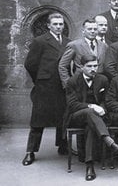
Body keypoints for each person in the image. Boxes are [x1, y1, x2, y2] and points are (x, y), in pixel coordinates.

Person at [65, 55, 118, 181]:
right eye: (89, 66)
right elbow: (72, 105)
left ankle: (89, 166)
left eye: (95, 66)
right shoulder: (72, 81)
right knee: (90, 112)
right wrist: (92, 106)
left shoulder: (102, 79)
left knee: (91, 127)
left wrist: (101, 107)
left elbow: (106, 100)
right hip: (77, 116)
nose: (93, 69)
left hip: (95, 119)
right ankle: (108, 140)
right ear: (81, 67)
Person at [22, 12, 70, 166]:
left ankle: (62, 146)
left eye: (61, 24)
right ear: (49, 25)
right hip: (44, 87)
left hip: (61, 86)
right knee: (38, 120)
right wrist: (42, 78)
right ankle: (30, 152)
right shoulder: (40, 41)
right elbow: (30, 64)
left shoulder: (68, 42)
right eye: (55, 24)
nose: (58, 27)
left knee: (62, 117)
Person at [58, 18, 107, 87]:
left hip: (99, 84)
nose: (92, 31)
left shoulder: (104, 45)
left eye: (95, 29)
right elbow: (62, 66)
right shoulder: (74, 45)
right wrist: (68, 85)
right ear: (83, 31)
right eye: (89, 29)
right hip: (80, 84)